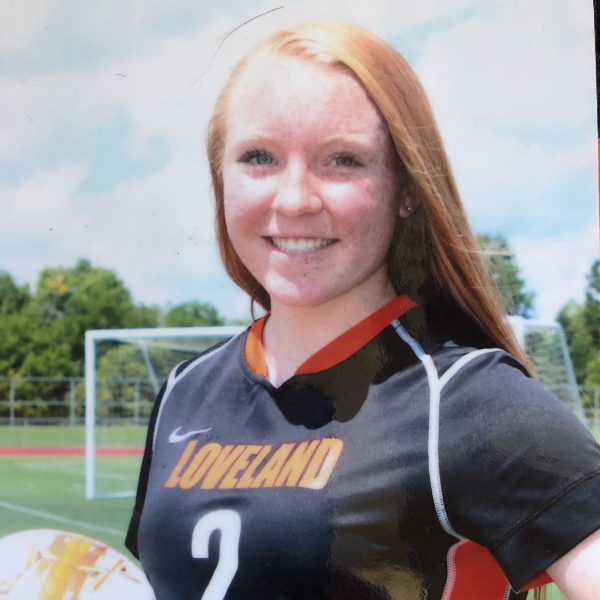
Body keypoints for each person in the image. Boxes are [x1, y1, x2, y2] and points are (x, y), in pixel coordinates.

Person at [125, 20, 600, 600]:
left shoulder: (470, 402)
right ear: (220, 178)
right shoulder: (185, 391)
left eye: (343, 160)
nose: (294, 199)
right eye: (259, 157)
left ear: (407, 189)